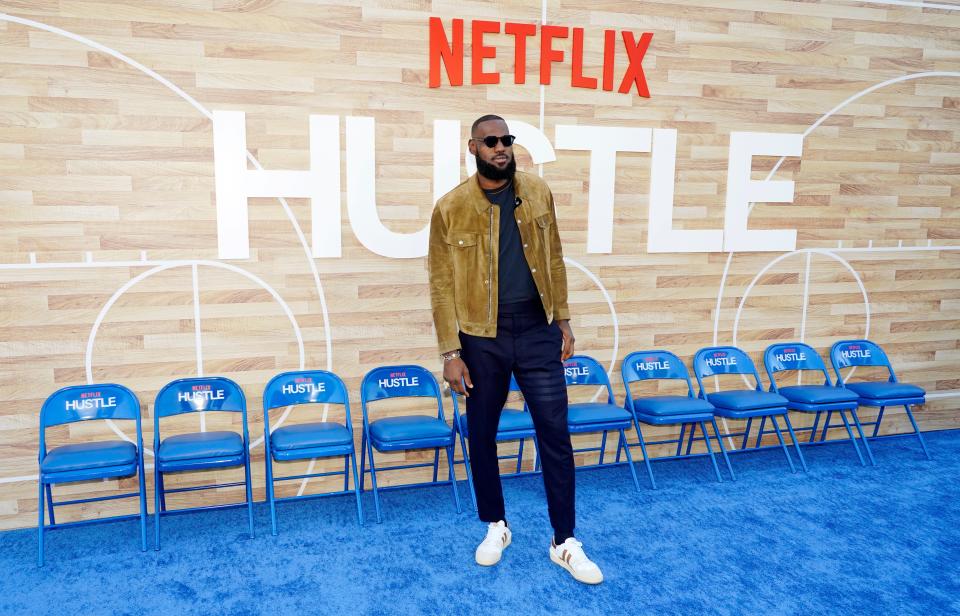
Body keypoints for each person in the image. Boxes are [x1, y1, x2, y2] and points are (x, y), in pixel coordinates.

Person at [427, 114, 603, 584]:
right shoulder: (451, 207)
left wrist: (562, 318)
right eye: (491, 141)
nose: (501, 147)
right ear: (473, 148)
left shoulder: (538, 192)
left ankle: (564, 541)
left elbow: (555, 258)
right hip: (480, 337)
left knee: (554, 432)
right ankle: (495, 525)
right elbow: (441, 285)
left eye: (507, 140)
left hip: (536, 329)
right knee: (481, 433)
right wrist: (450, 353)